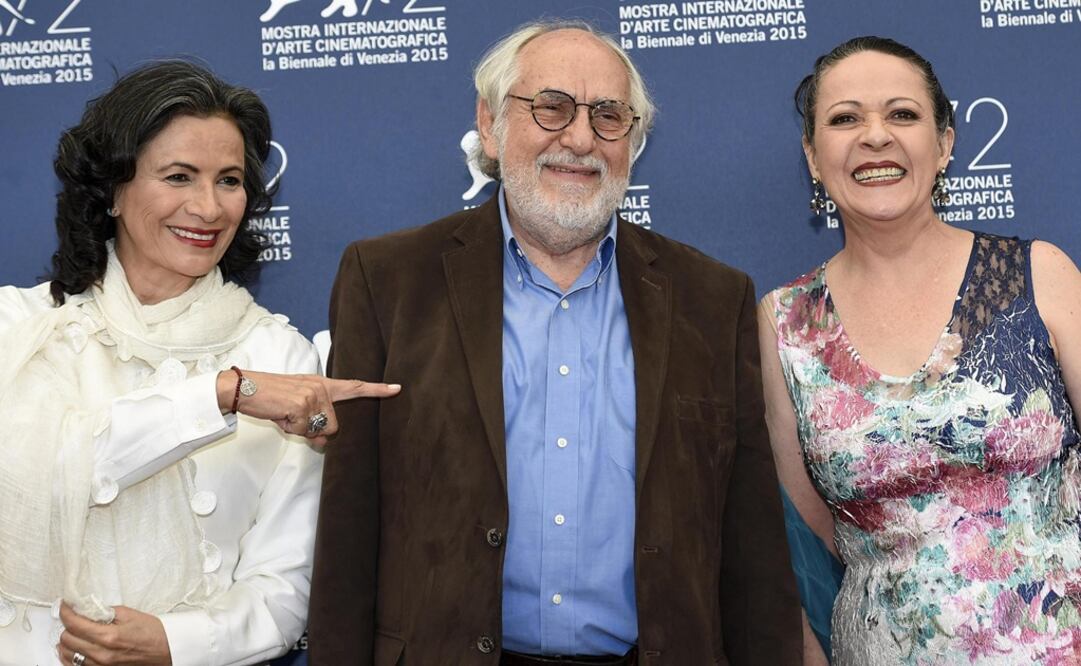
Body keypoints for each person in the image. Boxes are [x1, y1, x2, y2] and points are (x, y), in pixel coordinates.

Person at [309, 18, 801, 665]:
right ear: (489, 124)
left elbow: (750, 546)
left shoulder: (711, 297)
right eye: (551, 108)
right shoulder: (388, 281)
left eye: (607, 116)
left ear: (633, 138)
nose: (578, 138)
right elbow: (349, 527)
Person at [0, 61, 399, 666]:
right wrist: (219, 395)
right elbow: (41, 482)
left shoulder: (279, 357)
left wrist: (175, 643)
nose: (209, 208)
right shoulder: (18, 329)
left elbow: (284, 585)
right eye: (179, 176)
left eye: (230, 180)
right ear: (112, 188)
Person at [759, 36, 1081, 664]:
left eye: (902, 114)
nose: (874, 136)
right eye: (844, 118)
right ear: (813, 156)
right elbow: (810, 527)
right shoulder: (783, 326)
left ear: (946, 144)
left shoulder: (1038, 274)